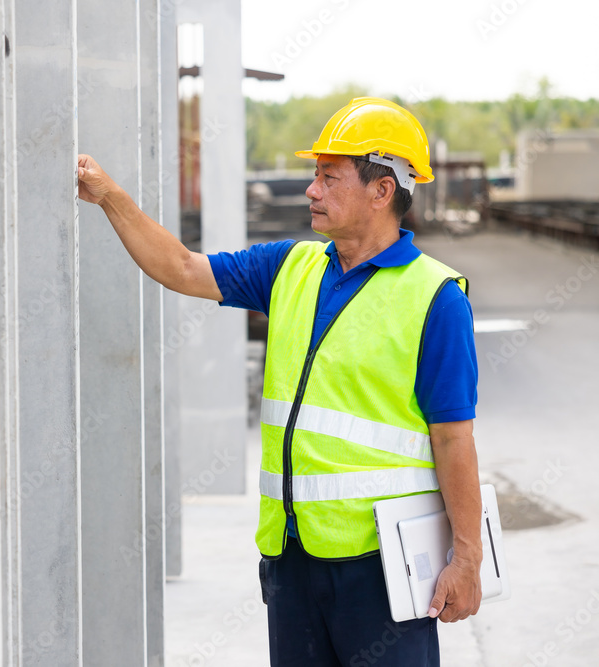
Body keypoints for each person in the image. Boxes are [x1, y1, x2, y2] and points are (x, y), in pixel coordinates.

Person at [77, 97, 482, 666]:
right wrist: (110, 199)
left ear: (382, 190)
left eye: (328, 177)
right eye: (314, 176)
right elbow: (183, 269)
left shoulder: (435, 298)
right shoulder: (289, 267)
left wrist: (467, 559)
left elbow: (452, 438)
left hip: (383, 568)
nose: (311, 191)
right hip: (291, 560)